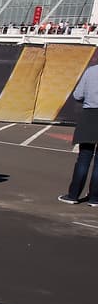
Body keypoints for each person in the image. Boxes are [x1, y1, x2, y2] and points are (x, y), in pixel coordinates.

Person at [59, 62, 98, 205]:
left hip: (90, 116)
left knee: (84, 157)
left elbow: (78, 95)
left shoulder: (91, 71)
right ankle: (95, 198)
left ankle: (73, 195)